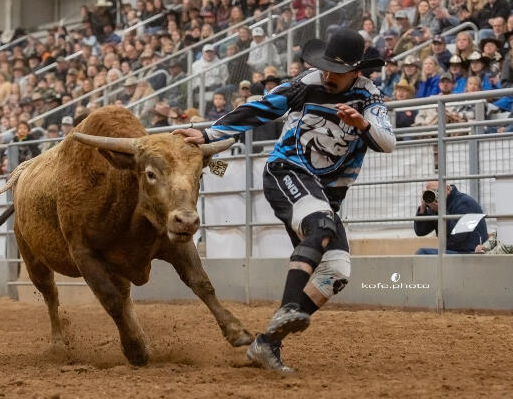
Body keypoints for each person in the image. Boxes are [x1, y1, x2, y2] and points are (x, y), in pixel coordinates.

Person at [173, 28, 395, 372]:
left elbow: (387, 143)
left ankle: (267, 344)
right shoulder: (305, 84)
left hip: (325, 193)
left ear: (356, 71)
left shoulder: (370, 97)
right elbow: (260, 108)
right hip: (286, 170)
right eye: (326, 68)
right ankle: (288, 308)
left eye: (337, 72)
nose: (328, 76)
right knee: (322, 224)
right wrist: (208, 133)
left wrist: (362, 125)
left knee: (335, 272)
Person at [414, 181, 487, 254]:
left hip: (470, 251)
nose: (434, 194)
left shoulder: (465, 203)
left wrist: (441, 211)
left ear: (448, 189)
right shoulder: (436, 205)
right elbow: (420, 232)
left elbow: (458, 236)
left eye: (436, 191)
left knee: (423, 253)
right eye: (429, 192)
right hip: (453, 250)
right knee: (423, 253)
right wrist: (422, 208)